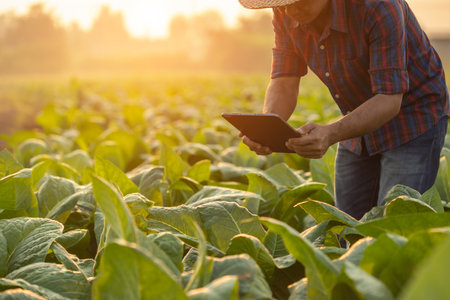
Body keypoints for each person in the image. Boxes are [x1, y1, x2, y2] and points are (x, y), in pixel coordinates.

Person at [237, 0, 449, 220]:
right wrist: (267, 129)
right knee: (346, 222)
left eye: (297, 0)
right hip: (357, 117)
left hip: (413, 118)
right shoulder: (285, 11)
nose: (290, 10)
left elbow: (389, 99)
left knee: (395, 222)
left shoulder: (378, 6)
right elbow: (284, 82)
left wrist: (330, 133)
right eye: (283, 4)